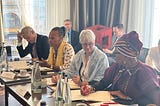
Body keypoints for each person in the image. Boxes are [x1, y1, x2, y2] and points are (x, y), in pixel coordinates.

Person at [81, 31, 160, 106]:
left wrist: (128, 98)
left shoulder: (144, 72)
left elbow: (154, 102)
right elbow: (104, 82)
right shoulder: (118, 66)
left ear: (127, 55)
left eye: (117, 53)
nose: (114, 56)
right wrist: (91, 87)